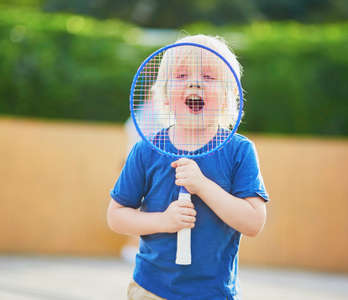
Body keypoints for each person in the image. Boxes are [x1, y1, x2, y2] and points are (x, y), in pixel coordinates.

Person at [107, 34, 269, 300]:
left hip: (214, 293)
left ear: (229, 98)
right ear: (165, 96)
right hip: (150, 289)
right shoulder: (147, 150)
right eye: (181, 76)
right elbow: (116, 216)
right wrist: (163, 221)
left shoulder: (239, 151)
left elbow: (253, 222)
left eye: (208, 76)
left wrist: (202, 185)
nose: (195, 83)